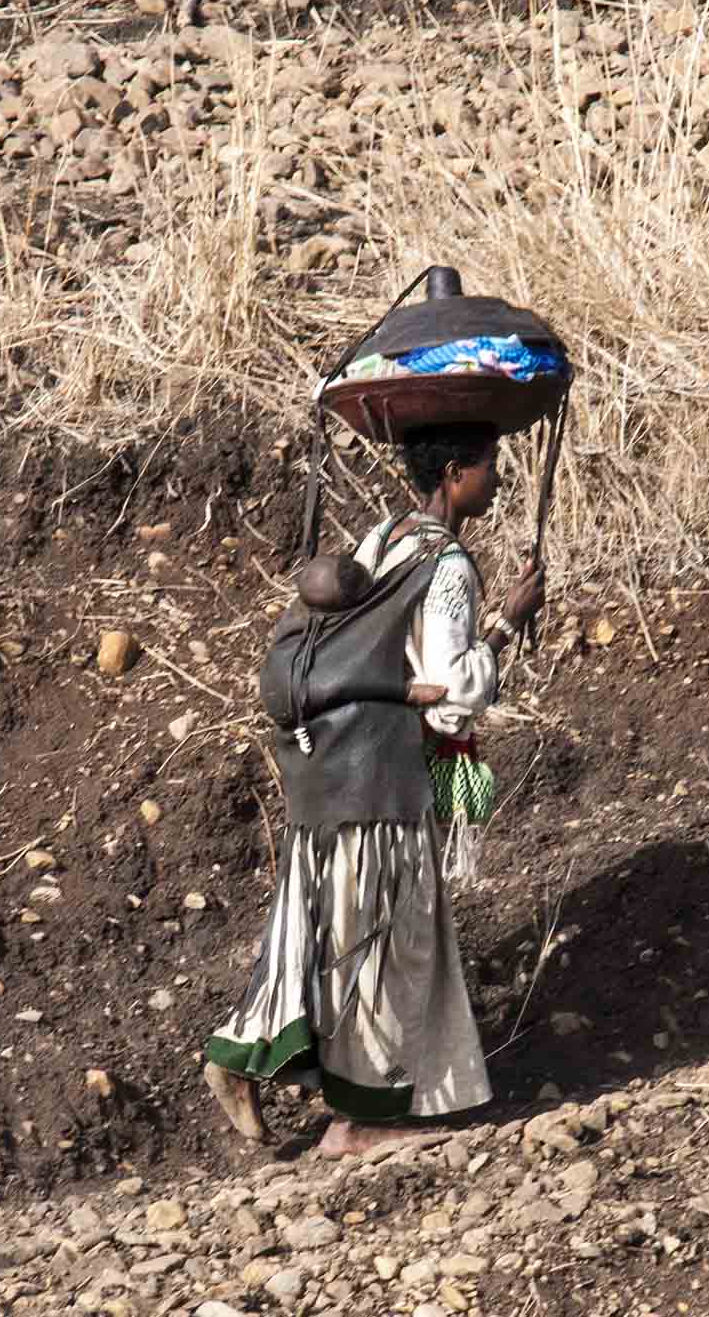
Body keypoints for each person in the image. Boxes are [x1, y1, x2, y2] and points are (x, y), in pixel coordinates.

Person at [202, 421, 546, 1159]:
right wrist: (508, 627)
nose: (498, 479)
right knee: (387, 944)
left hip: (327, 770)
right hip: (387, 780)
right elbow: (454, 698)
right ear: (454, 473)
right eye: (489, 465)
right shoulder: (449, 566)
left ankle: (237, 1054)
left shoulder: (380, 537)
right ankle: (357, 1123)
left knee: (313, 930)